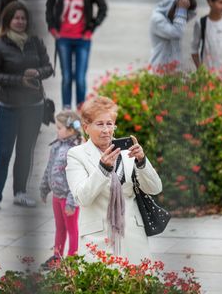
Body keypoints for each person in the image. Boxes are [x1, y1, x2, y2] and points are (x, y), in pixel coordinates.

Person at [65, 96, 163, 264]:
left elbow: (155, 188)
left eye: (109, 124)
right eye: (99, 124)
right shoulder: (76, 154)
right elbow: (83, 197)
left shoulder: (126, 152)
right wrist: (102, 168)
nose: (106, 130)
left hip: (133, 236)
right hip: (98, 238)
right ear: (86, 127)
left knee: (137, 286)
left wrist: (142, 162)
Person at [0, 1, 53, 213]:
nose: (20, 21)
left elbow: (49, 67)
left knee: (25, 152)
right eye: (16, 18)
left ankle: (20, 192)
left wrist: (38, 73)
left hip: (34, 106)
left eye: (23, 18)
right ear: (8, 20)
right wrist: (19, 80)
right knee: (3, 153)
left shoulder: (36, 42)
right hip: (8, 107)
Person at [46, 0, 108, 111]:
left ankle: (81, 110)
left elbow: (103, 8)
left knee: (80, 78)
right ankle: (67, 112)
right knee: (67, 77)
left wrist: (92, 28)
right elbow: (49, 6)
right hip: (63, 39)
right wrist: (52, 27)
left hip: (82, 39)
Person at [40, 110, 83, 268]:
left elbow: (76, 180)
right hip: (56, 197)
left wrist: (71, 202)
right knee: (59, 228)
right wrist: (44, 188)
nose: (56, 131)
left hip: (68, 199)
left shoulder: (75, 150)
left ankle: (72, 260)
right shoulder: (56, 146)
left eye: (59, 128)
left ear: (70, 130)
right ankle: (57, 257)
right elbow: (49, 168)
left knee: (72, 229)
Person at [149, 0, 197, 71]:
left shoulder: (174, 21)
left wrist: (185, 8)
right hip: (159, 72)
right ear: (170, 4)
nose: (180, 13)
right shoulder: (157, 19)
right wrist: (181, 10)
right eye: (177, 8)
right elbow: (177, 33)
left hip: (174, 72)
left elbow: (187, 17)